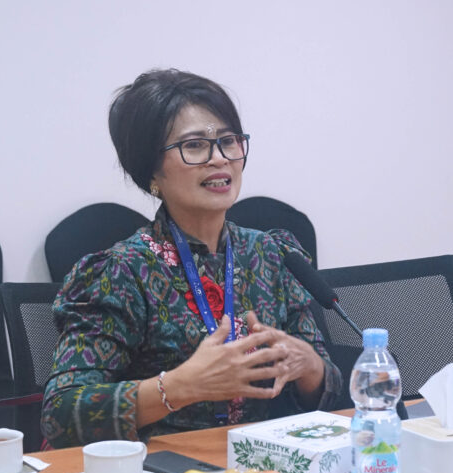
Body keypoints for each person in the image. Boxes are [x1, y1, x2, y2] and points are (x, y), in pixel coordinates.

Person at [41, 69, 345, 448]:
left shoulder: (272, 255)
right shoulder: (122, 272)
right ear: (152, 171)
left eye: (228, 141)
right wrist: (182, 386)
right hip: (160, 470)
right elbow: (61, 414)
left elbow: (330, 399)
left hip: (266, 465)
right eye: (195, 145)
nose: (219, 159)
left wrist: (310, 367)